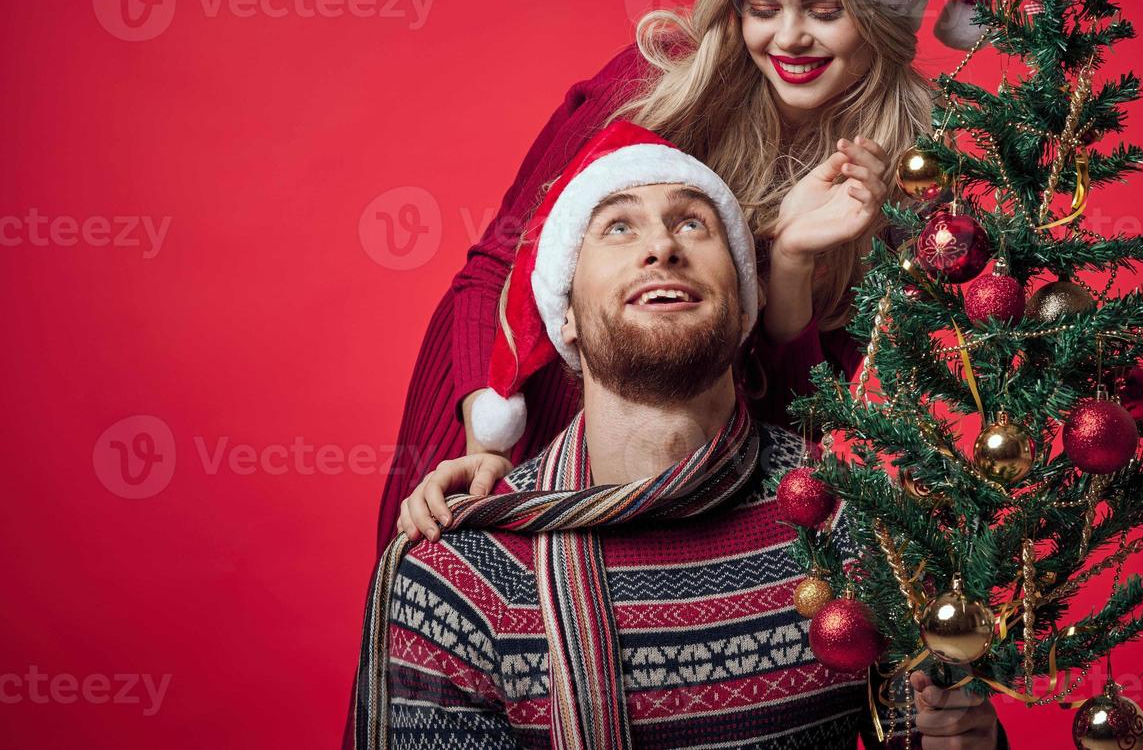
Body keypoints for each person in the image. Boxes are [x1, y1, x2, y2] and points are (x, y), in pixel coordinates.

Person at [373, 0, 1000, 554]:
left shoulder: (909, 185)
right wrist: (491, 435)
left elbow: (806, 424)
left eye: (823, 12)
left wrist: (793, 262)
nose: (788, 38)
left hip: (697, 483)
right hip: (510, 412)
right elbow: (493, 268)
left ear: (881, 18)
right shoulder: (653, 85)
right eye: (761, 7)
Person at [351, 123, 1006, 749]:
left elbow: (924, 729)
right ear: (565, 313)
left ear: (746, 299)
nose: (662, 247)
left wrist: (969, 741)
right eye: (617, 227)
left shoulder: (857, 526)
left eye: (693, 222)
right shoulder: (459, 578)